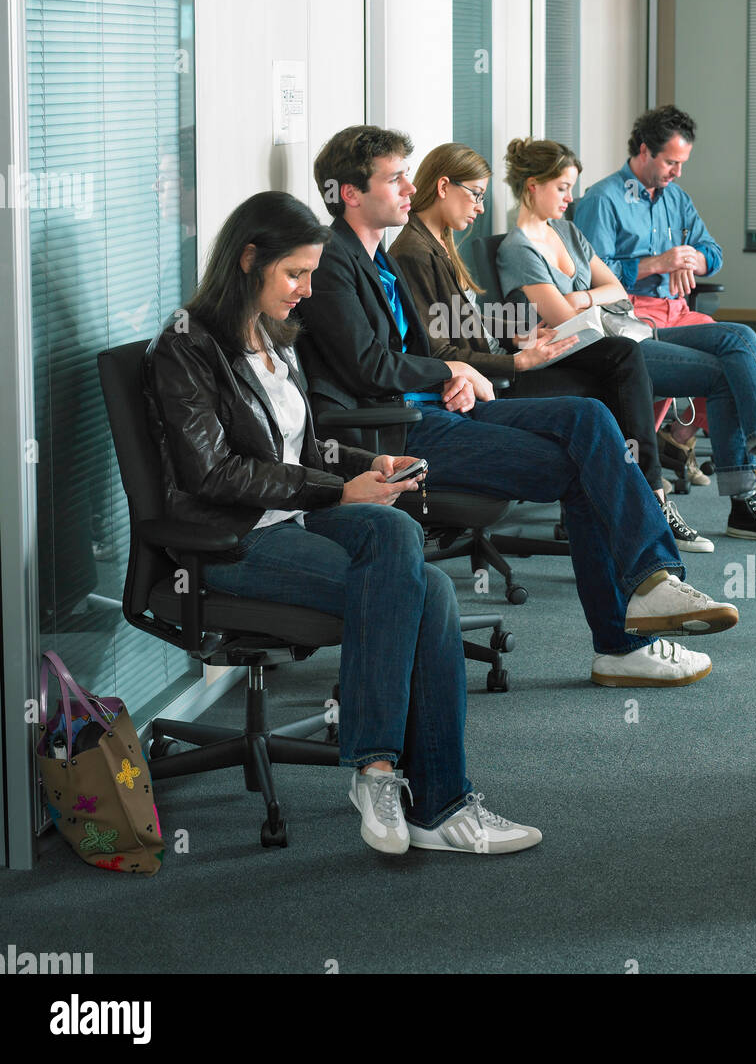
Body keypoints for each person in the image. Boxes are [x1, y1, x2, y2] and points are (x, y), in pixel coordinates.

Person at [143, 190, 542, 856]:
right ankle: (414, 790)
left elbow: (298, 448)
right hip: (230, 543)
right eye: (295, 273)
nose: (306, 289)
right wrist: (337, 489)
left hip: (293, 523)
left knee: (403, 546)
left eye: (311, 274)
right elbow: (213, 476)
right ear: (249, 260)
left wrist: (369, 462)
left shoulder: (273, 337)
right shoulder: (186, 348)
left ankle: (393, 780)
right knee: (430, 590)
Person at [299, 124, 739, 690]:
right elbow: (367, 366)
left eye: (408, 175)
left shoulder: (379, 257)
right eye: (395, 178)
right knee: (587, 465)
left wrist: (456, 373)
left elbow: (425, 344)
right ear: (352, 194)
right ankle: (628, 632)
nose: (409, 188)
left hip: (441, 406)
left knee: (590, 418)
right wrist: (454, 370)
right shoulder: (336, 259)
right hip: (399, 435)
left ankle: (647, 592)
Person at [498, 138, 756, 543]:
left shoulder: (566, 231)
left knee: (740, 337)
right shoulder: (518, 250)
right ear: (532, 185)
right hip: (606, 352)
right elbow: (568, 324)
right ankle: (746, 504)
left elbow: (615, 288)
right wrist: (587, 302)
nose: (570, 197)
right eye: (562, 187)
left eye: (571, 187)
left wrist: (580, 296)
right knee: (724, 374)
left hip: (628, 328)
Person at [390, 141, 713, 553]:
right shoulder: (416, 252)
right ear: (443, 187)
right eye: (475, 195)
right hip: (483, 383)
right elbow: (439, 350)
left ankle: (644, 496)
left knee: (618, 360)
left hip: (499, 358)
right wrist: (518, 359)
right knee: (612, 373)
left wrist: (519, 330)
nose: (481, 209)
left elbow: (457, 320)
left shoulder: (436, 242)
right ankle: (646, 498)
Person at [574, 105, 756, 487]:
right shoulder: (603, 199)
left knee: (755, 354)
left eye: (682, 163)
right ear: (645, 150)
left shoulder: (676, 198)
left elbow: (713, 252)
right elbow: (589, 276)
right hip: (629, 314)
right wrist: (656, 263)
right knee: (718, 370)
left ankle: (678, 438)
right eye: (671, 162)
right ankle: (644, 465)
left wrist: (692, 259)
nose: (678, 172)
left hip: (677, 311)